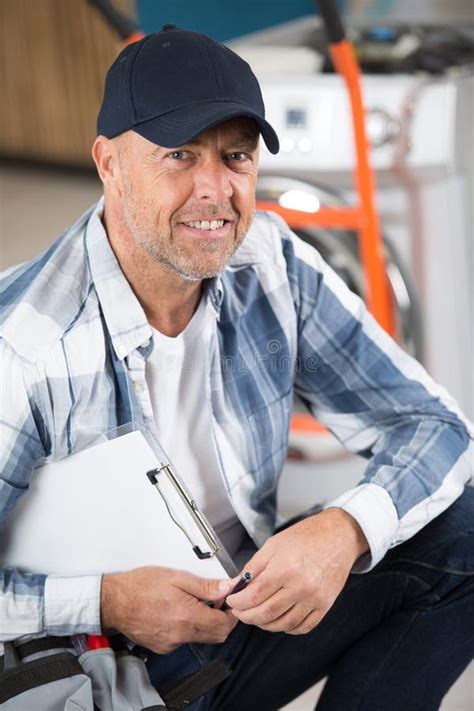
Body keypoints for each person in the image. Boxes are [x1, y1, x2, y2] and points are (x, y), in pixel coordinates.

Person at [0, 25, 472, 711]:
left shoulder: (272, 264)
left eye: (236, 155)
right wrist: (109, 600)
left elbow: (436, 424)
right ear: (108, 163)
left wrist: (343, 531)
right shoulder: (25, 342)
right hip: (88, 666)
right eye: (179, 155)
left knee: (462, 530)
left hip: (232, 614)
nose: (215, 191)